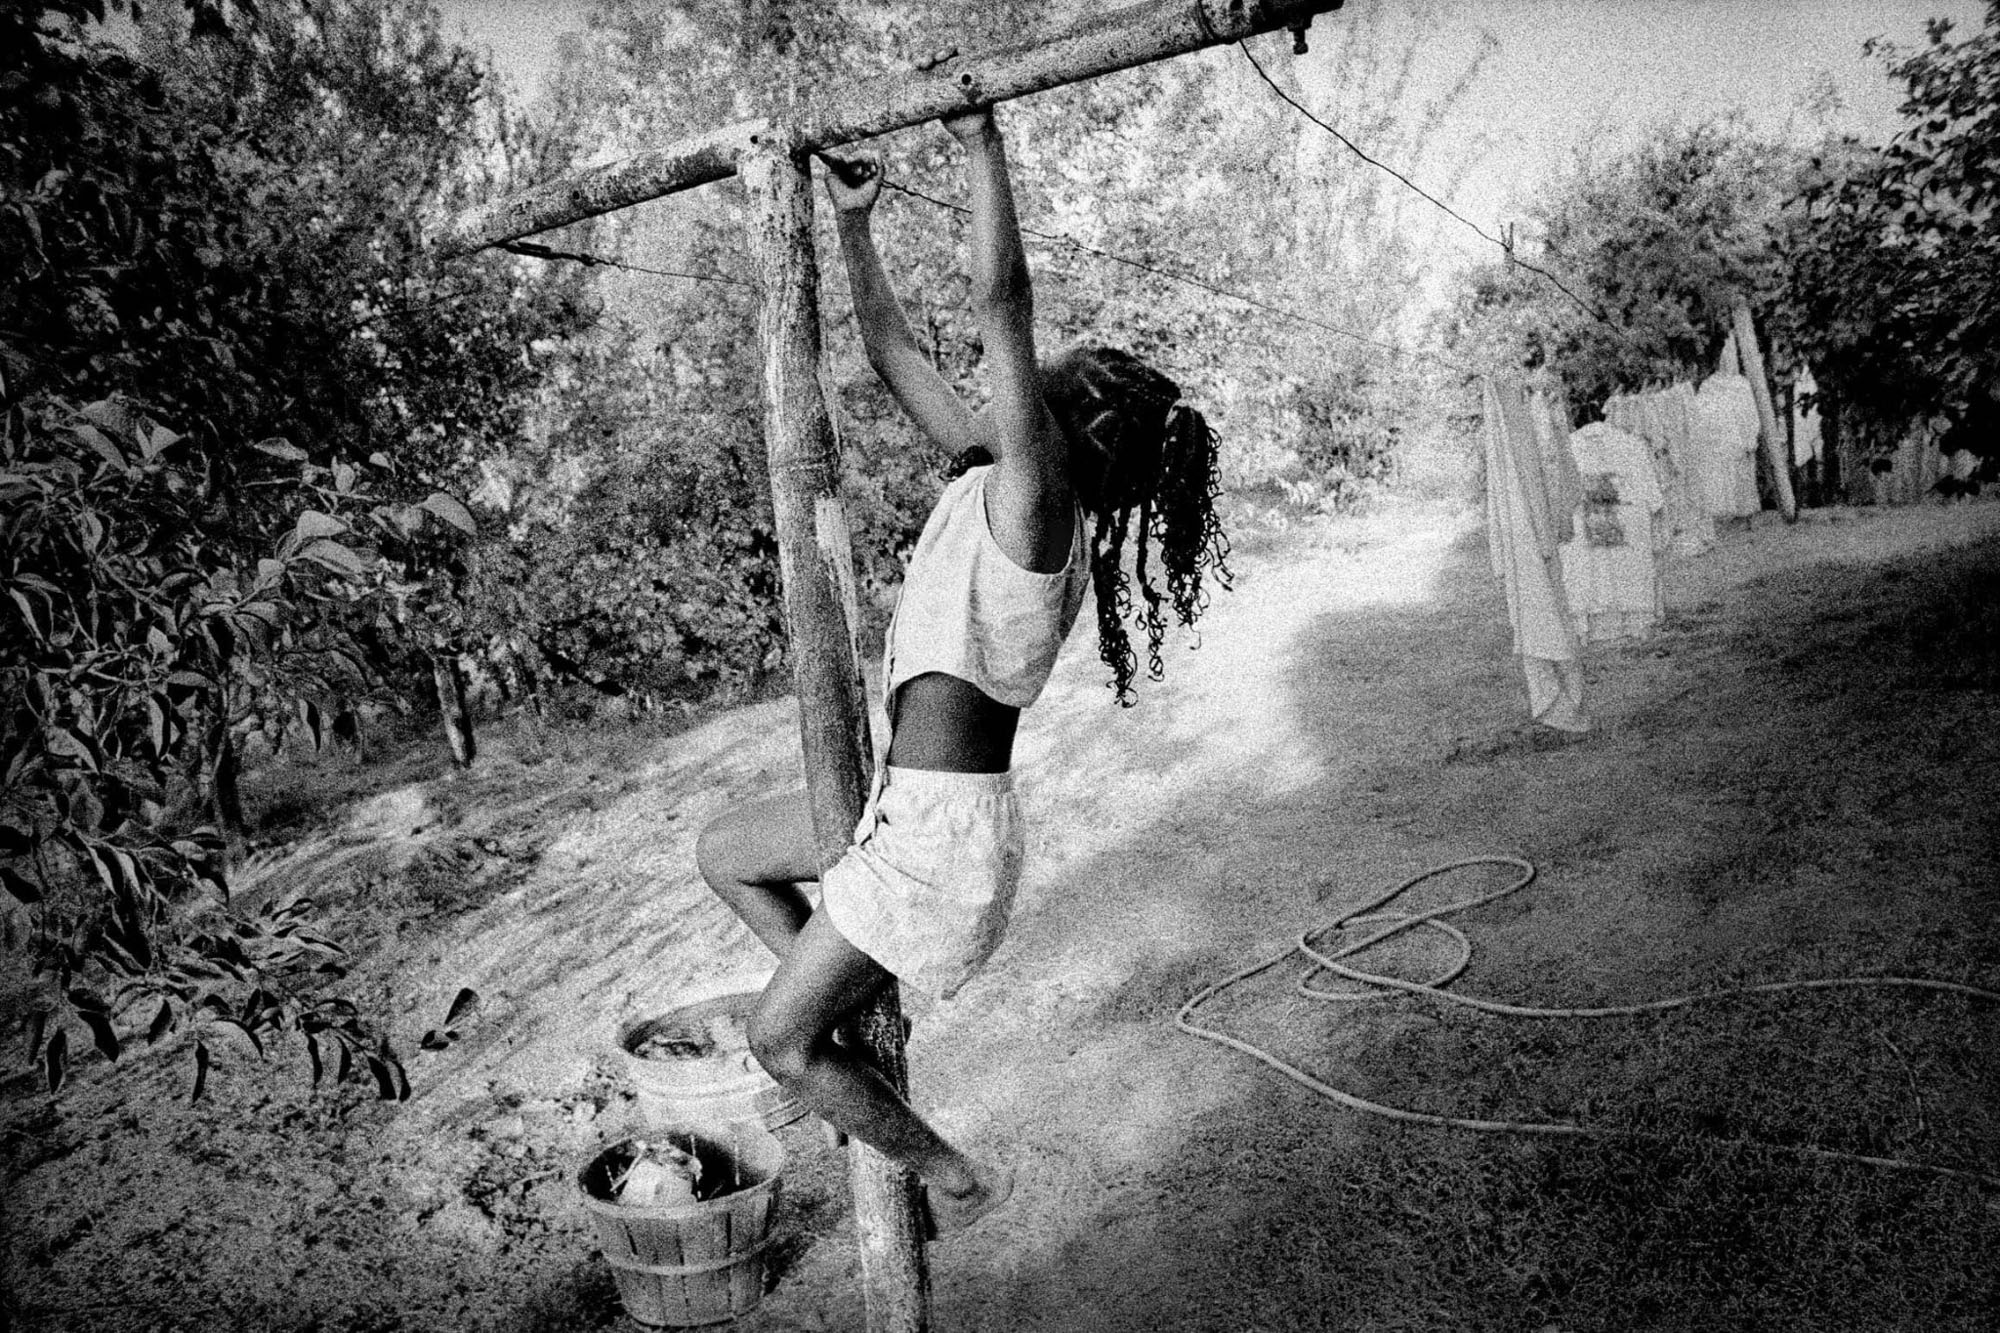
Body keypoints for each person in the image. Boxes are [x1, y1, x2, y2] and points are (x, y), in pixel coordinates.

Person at [695, 101, 1229, 1234]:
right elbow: (895, 354)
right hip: (905, 810)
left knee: (775, 1041)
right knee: (726, 850)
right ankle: (845, 1025)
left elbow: (1001, 304)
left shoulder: (1037, 507)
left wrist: (979, 137)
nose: (1039, 370)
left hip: (938, 841)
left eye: (1060, 378)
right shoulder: (988, 474)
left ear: (1067, 435)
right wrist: (852, 223)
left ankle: (954, 1173)